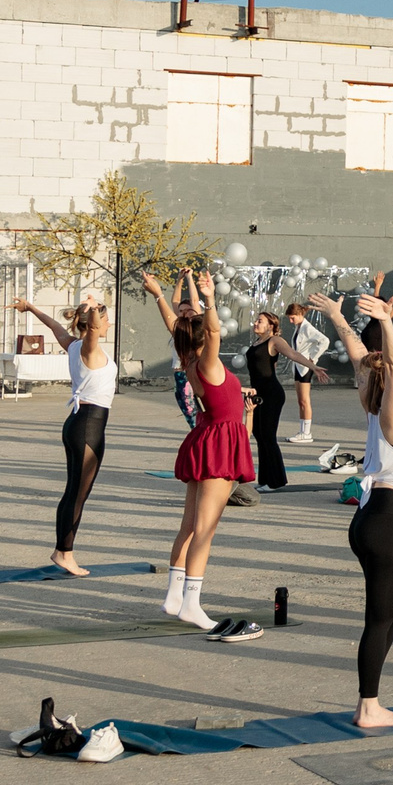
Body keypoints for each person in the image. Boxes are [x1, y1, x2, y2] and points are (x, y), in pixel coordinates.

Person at [310, 291, 393, 729]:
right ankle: (368, 706)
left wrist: (338, 318)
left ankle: (370, 702)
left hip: (373, 520)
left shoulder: (374, 406)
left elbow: (365, 360)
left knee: (392, 612)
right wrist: (388, 324)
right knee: (380, 619)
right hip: (388, 527)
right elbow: (391, 364)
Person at [142, 269, 246, 632]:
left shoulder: (188, 359)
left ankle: (174, 596)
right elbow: (212, 331)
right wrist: (211, 299)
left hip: (206, 438)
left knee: (189, 525)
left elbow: (180, 327)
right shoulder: (207, 363)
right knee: (205, 530)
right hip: (219, 444)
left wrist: (159, 295)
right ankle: (191, 603)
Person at [10, 294, 115, 577]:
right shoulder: (88, 348)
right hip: (88, 425)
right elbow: (93, 327)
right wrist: (94, 308)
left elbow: (54, 326)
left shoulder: (73, 345)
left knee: (73, 492)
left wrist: (31, 307)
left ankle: (64, 550)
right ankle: (64, 553)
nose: (108, 323)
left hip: (79, 424)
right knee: (78, 494)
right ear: (93, 323)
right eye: (105, 319)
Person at [241, 310, 326, 491]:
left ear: (270, 325)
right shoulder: (257, 342)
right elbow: (270, 365)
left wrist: (313, 367)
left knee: (268, 436)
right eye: (256, 320)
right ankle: (265, 479)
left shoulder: (275, 341)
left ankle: (275, 481)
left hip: (271, 393)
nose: (255, 323)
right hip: (258, 393)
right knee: (259, 434)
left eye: (260, 321)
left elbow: (294, 355)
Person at [282, 301, 330, 442]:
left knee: (304, 400)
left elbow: (325, 341)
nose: (291, 321)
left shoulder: (307, 328)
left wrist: (312, 358)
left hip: (305, 367)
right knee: (301, 400)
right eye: (289, 318)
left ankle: (306, 433)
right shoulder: (299, 327)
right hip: (298, 366)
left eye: (292, 318)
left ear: (299, 314)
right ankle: (302, 431)